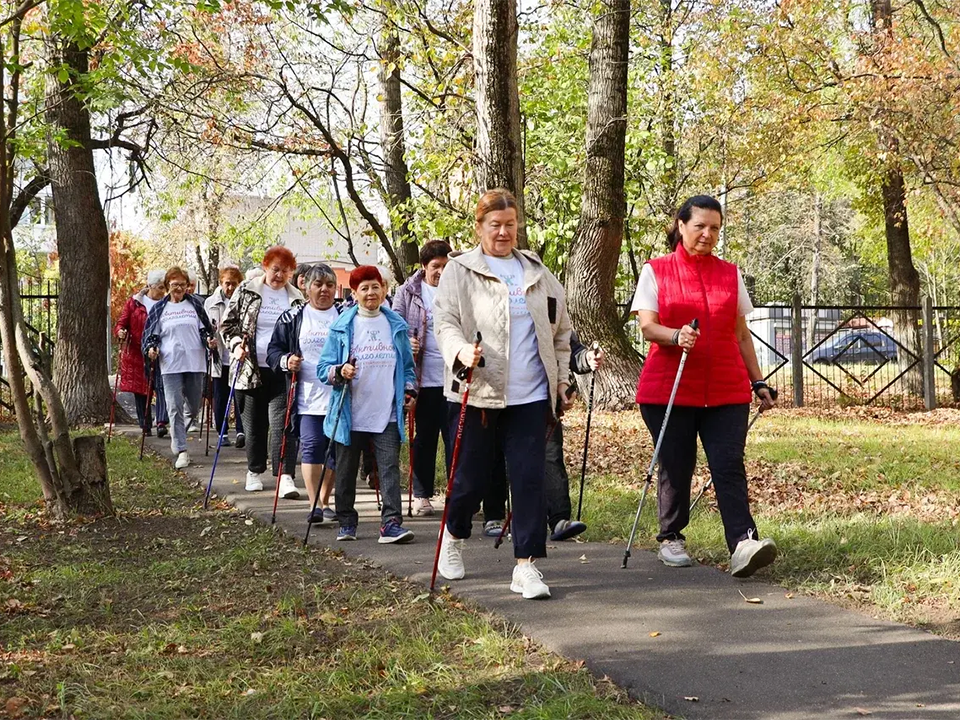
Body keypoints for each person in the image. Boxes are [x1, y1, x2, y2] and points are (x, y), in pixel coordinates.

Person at [433, 188, 572, 600]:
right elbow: (445, 323)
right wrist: (460, 350)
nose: (504, 232)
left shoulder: (536, 271)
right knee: (470, 479)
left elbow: (560, 332)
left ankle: (526, 566)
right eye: (495, 225)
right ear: (479, 228)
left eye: (510, 225)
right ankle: (454, 536)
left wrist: (561, 380)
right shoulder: (460, 270)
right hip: (478, 393)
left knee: (529, 479)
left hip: (529, 395)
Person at [631, 194, 777, 578]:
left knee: (729, 465)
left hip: (726, 388)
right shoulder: (656, 270)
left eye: (715, 228)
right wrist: (675, 335)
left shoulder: (730, 273)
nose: (708, 234)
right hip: (670, 388)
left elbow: (741, 333)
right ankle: (671, 536)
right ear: (681, 226)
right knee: (676, 464)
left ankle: (744, 543)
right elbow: (647, 325)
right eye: (700, 226)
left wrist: (757, 380)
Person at [318, 265, 417, 544]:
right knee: (347, 470)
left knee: (388, 468)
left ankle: (391, 523)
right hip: (350, 413)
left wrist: (410, 392)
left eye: (375, 286)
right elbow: (323, 368)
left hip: (387, 411)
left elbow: (408, 369)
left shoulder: (396, 324)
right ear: (354, 293)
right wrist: (340, 371)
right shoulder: (341, 326)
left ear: (384, 289)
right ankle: (347, 522)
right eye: (364, 288)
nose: (371, 293)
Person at [222, 246, 304, 497]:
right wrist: (236, 345)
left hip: (283, 369)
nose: (279, 275)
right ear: (265, 266)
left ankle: (285, 476)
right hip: (249, 367)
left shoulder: (297, 298)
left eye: (285, 271)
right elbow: (228, 325)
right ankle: (254, 470)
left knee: (284, 424)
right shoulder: (246, 290)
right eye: (275, 269)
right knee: (254, 423)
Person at [267, 263, 341, 524]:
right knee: (311, 446)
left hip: (340, 396)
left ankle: (325, 499)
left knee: (334, 450)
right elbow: (273, 351)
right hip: (307, 395)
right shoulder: (292, 316)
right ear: (306, 288)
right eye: (318, 285)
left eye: (329, 285)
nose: (324, 290)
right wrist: (287, 361)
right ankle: (314, 505)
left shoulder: (345, 314)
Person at [391, 239, 453, 516]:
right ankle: (422, 495)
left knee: (456, 441)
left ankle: (457, 494)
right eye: (435, 266)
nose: (440, 271)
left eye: (445, 266)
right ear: (423, 267)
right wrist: (406, 342)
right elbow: (394, 325)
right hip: (422, 378)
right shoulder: (408, 292)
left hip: (455, 377)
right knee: (425, 439)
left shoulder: (458, 289)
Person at [142, 266, 218, 469]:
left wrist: (210, 340)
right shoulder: (160, 309)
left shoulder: (195, 305)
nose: (179, 288)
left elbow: (205, 330)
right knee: (174, 406)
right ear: (167, 286)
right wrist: (151, 349)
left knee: (193, 406)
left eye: (183, 285)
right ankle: (182, 450)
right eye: (175, 285)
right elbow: (151, 336)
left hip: (195, 362)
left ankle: (178, 433)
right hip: (170, 364)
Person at [545, 332, 604, 541]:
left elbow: (569, 347)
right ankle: (494, 514)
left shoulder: (551, 300)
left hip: (545, 395)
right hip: (506, 394)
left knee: (550, 456)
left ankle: (559, 520)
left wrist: (588, 357)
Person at [114, 271, 166, 435]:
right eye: (160, 288)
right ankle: (145, 425)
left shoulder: (167, 303)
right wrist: (120, 331)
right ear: (150, 286)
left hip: (161, 350)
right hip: (137, 352)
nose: (163, 291)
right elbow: (121, 323)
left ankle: (161, 423)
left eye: (164, 287)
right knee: (141, 390)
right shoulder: (135, 303)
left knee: (161, 386)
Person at [204, 266, 246, 448]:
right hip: (220, 356)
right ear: (221, 283)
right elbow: (205, 326)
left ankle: (241, 431)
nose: (230, 288)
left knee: (239, 395)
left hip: (238, 355)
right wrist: (208, 339)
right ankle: (222, 431)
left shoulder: (244, 301)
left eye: (234, 284)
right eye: (227, 284)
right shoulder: (211, 302)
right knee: (220, 396)